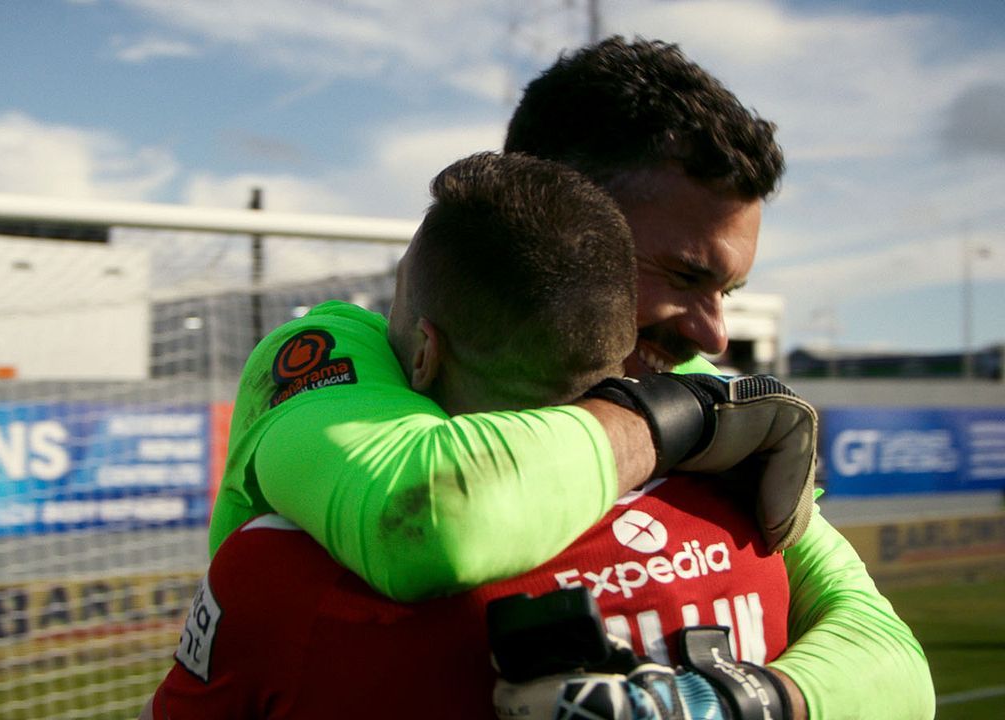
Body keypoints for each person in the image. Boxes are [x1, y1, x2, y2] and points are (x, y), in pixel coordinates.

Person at [205, 36, 933, 719]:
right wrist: (671, 418)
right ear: (564, 219)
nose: (712, 335)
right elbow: (424, 519)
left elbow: (891, 659)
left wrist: (712, 703)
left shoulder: (697, 384)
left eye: (728, 294)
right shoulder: (332, 350)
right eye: (685, 274)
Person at [147, 151, 794, 719]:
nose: (713, 335)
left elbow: (427, 518)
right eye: (686, 279)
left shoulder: (282, 577)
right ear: (620, 340)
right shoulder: (743, 529)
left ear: (424, 351)